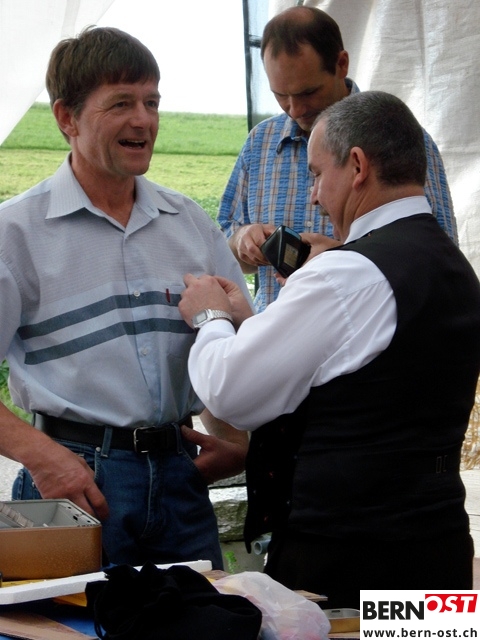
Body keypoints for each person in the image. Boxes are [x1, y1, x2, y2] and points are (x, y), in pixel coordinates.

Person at [179, 90, 480, 607]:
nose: (315, 197)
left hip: (344, 565)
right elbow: (359, 366)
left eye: (318, 174)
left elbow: (231, 392)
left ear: (357, 166)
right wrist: (257, 324)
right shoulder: (455, 267)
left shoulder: (345, 275)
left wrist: (211, 317)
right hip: (440, 557)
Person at [0, 26, 252, 569]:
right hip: (74, 482)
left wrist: (236, 441)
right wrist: (44, 457)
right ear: (66, 118)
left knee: (204, 614)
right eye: (121, 104)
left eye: (151, 102)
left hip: (182, 477)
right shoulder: (15, 233)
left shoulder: (188, 222)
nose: (144, 120)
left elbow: (230, 348)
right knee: (69, 617)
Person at [218, 6, 458, 312]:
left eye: (308, 92)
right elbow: (224, 247)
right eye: (280, 95)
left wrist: (343, 260)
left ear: (341, 64)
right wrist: (242, 240)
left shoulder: (399, 137)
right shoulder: (260, 142)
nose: (294, 109)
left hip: (364, 334)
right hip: (275, 332)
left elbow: (437, 257)